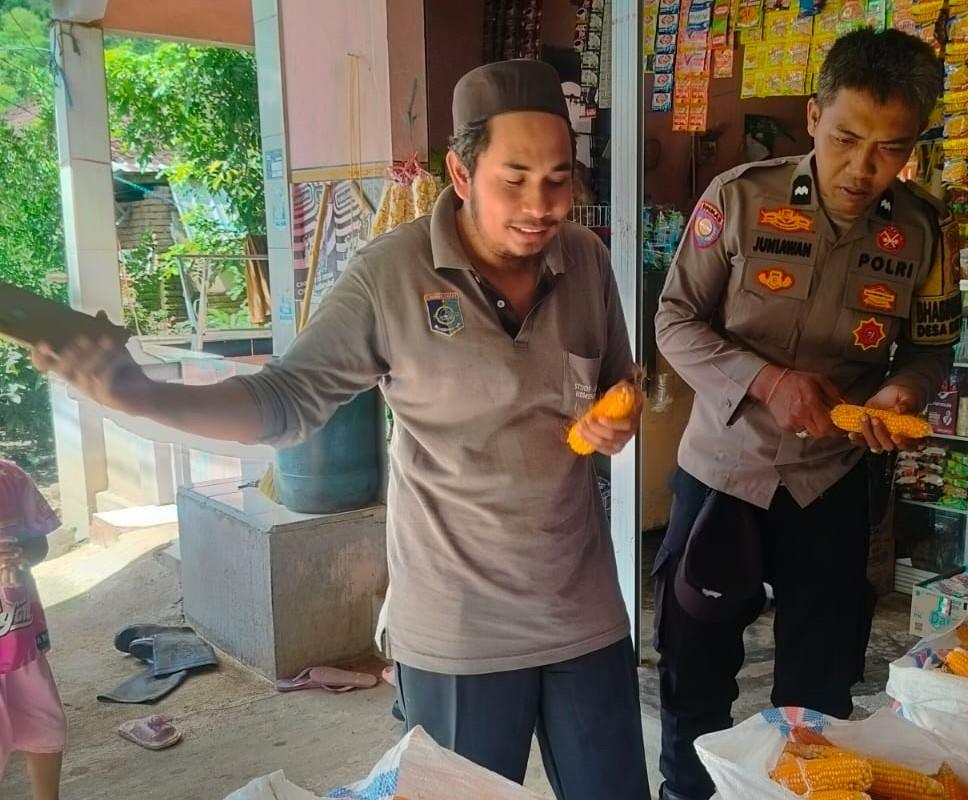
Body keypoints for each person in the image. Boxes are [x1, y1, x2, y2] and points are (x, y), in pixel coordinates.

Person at [35, 60, 649, 800]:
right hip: (457, 628)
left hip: (583, 609)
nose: (539, 205)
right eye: (513, 179)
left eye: (557, 180)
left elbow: (621, 380)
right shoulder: (389, 275)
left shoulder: (585, 259)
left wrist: (620, 413)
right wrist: (141, 395)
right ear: (460, 172)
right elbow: (284, 399)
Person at [653, 29, 959, 800]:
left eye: (890, 149)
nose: (862, 168)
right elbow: (674, 322)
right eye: (846, 138)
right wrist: (766, 380)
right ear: (815, 115)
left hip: (832, 482)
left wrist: (905, 392)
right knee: (694, 677)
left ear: (915, 143)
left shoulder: (923, 231)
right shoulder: (739, 198)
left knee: (819, 696)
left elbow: (932, 349)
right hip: (724, 474)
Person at [0, 459, 66, 800]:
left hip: (20, 638)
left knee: (44, 725)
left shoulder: (11, 477)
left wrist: (23, 553)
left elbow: (40, 545)